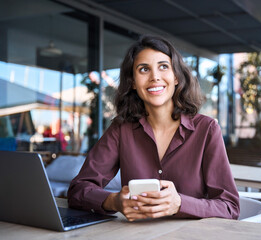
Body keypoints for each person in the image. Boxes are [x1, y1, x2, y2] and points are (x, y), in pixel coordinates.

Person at [68, 35, 240, 221]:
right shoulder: (121, 129)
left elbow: (230, 207)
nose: (155, 77)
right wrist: (113, 201)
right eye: (143, 69)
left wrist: (180, 204)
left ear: (176, 76)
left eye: (163, 66)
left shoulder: (206, 129)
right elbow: (79, 189)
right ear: (133, 82)